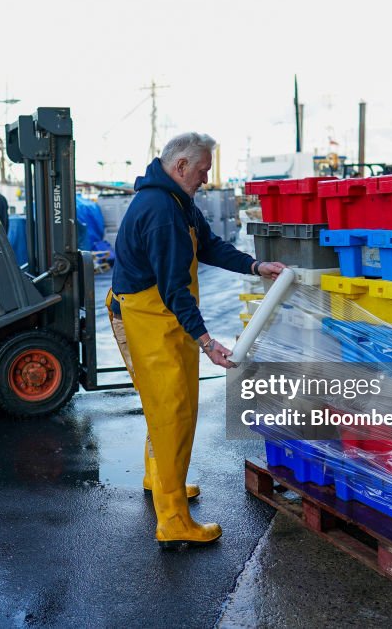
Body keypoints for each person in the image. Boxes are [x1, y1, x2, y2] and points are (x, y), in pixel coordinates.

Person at [108, 133, 285, 549]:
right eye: (203, 170)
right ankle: (172, 520)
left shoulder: (177, 201)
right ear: (181, 166)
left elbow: (207, 245)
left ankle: (160, 478)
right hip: (146, 318)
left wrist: (255, 266)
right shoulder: (161, 211)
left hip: (162, 318)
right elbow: (174, 290)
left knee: (168, 405)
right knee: (171, 410)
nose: (206, 178)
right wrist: (207, 342)